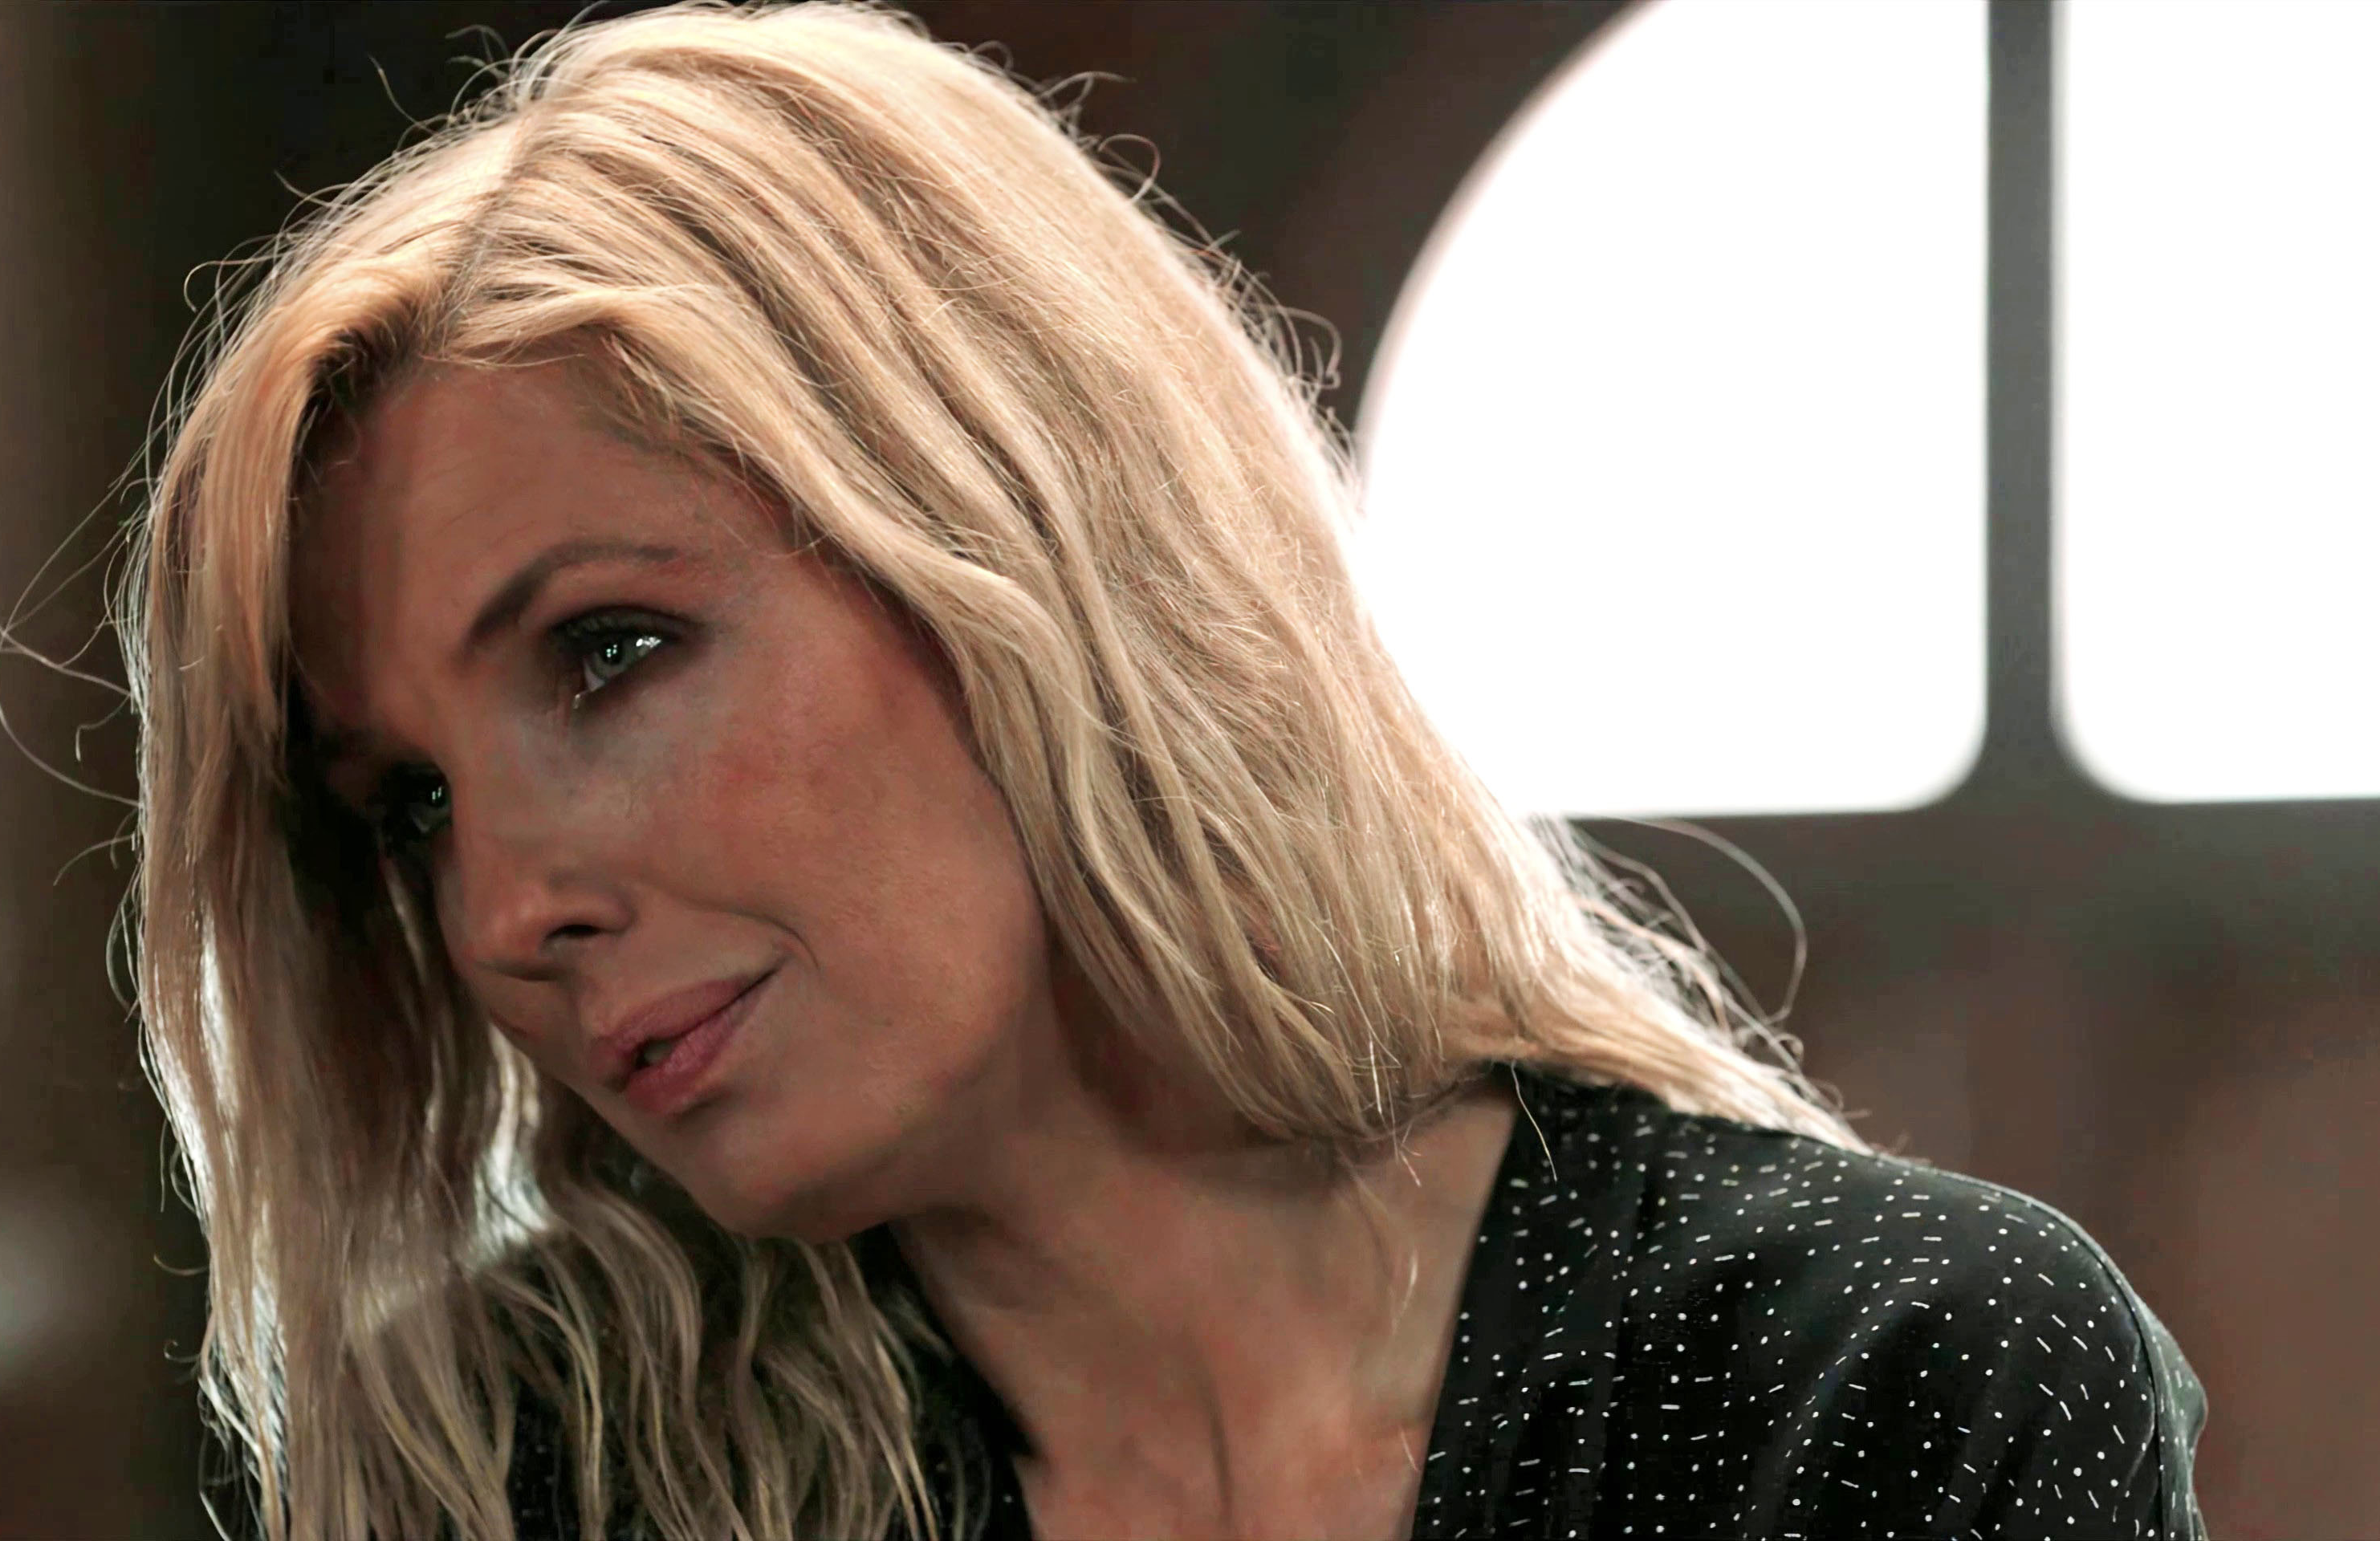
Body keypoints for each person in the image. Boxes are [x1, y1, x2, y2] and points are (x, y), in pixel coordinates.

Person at [116, 4, 2207, 1538]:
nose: (503, 911)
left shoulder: (1874, 1387)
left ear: (1027, 532)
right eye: (407, 806)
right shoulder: (512, 1482)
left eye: (611, 652)